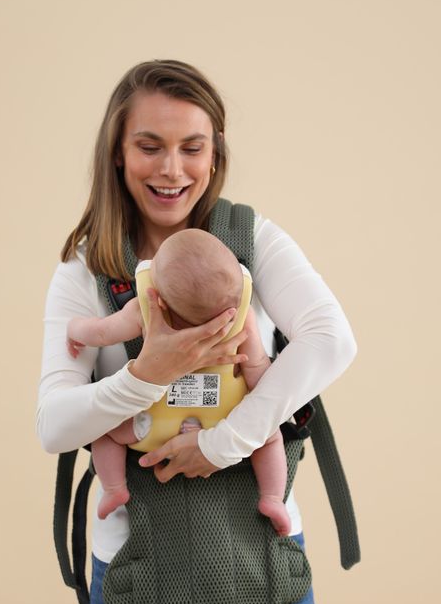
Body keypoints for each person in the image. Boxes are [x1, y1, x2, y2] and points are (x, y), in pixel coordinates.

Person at [37, 59, 357, 604]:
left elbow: (332, 340)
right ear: (117, 152)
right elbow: (54, 425)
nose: (172, 169)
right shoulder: (86, 272)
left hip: (260, 568)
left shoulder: (251, 244)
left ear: (215, 154)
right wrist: (146, 373)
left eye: (193, 147)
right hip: (137, 576)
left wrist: (221, 443)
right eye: (149, 146)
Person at [66, 227, 292, 535]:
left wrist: (74, 330)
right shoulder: (241, 319)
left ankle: (114, 488)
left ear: (157, 289)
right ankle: (273, 498)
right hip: (223, 420)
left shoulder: (146, 310)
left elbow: (102, 333)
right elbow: (257, 370)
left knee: (104, 431)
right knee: (270, 436)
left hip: (151, 422)